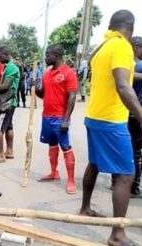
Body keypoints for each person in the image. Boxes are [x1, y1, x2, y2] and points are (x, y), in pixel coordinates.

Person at [80, 10, 142, 246]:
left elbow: (121, 78)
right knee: (126, 175)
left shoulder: (103, 46)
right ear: (131, 29)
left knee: (95, 163)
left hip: (94, 117)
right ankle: (117, 234)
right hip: (110, 121)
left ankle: (85, 208)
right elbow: (122, 86)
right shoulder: (121, 46)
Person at [36, 44, 78, 194]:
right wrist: (36, 88)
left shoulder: (68, 73)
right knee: (52, 145)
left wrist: (66, 120)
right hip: (46, 116)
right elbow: (43, 95)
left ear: (57, 55)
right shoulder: (47, 73)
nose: (46, 58)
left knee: (66, 147)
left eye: (48, 55)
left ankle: (71, 180)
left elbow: (72, 97)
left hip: (60, 118)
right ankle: (54, 172)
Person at [128, 36, 142, 198]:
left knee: (126, 148)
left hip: (124, 113)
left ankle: (115, 182)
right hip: (137, 113)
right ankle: (134, 188)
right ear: (138, 48)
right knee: (136, 152)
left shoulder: (128, 65)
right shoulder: (141, 65)